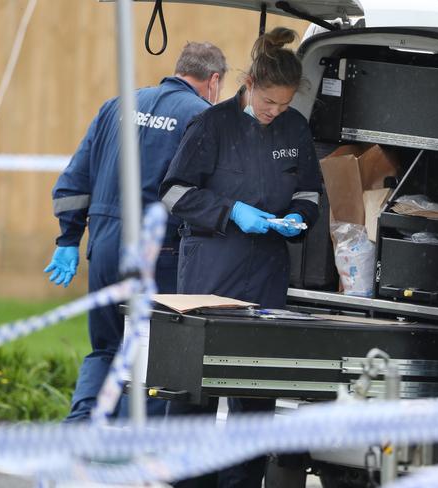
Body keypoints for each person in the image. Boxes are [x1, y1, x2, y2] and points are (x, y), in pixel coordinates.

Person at [159, 27, 321, 487]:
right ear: (249, 83)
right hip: (210, 274)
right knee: (197, 392)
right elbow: (172, 193)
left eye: (284, 105)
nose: (275, 112)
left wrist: (297, 217)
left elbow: (310, 191)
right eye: (269, 101)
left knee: (255, 394)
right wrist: (231, 212)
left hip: (267, 277)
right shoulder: (210, 126)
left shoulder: (295, 129)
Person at [44, 42, 228, 422]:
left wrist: (68, 240)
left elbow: (72, 184)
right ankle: (129, 451)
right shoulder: (203, 117)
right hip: (158, 255)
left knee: (106, 347)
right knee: (150, 355)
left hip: (105, 247)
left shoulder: (117, 105)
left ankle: (81, 428)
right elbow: (206, 196)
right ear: (213, 81)